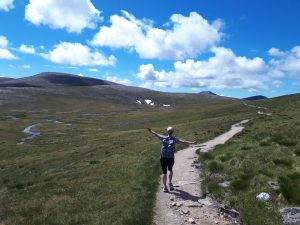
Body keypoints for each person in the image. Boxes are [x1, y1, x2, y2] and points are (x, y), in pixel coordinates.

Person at [147, 127, 196, 192]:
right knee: (170, 170)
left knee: (164, 173)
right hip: (170, 157)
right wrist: (192, 142)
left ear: (167, 132)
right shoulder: (174, 139)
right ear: (172, 132)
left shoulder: (163, 137)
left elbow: (156, 134)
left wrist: (150, 131)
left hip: (163, 157)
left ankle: (165, 187)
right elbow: (183, 141)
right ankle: (170, 183)